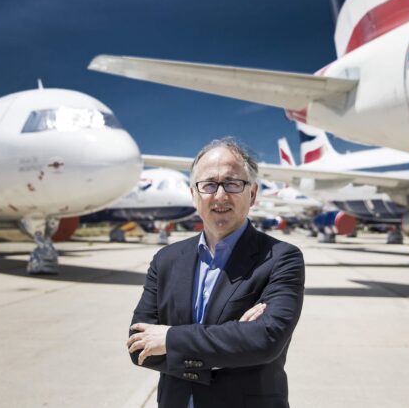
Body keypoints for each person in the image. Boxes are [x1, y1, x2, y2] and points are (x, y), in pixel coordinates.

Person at [126, 137, 305, 407]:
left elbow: (265, 340)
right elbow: (139, 346)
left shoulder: (281, 258)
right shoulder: (165, 260)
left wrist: (170, 339)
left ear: (252, 194)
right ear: (194, 195)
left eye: (232, 183)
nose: (220, 196)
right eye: (209, 185)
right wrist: (232, 342)